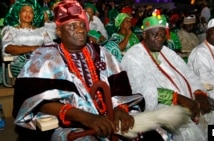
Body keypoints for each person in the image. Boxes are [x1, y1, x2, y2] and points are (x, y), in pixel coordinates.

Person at [12, 1, 189, 141]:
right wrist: (86, 117)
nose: (80, 29)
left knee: (156, 135)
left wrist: (121, 109)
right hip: (71, 125)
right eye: (72, 26)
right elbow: (34, 100)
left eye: (82, 25)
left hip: (112, 117)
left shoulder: (101, 53)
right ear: (58, 30)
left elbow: (121, 89)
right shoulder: (44, 57)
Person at [121, 9, 213, 141]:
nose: (159, 38)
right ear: (144, 35)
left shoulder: (168, 52)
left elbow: (189, 74)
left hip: (189, 103)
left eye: (162, 35)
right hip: (162, 109)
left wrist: (199, 93)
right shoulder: (133, 56)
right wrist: (177, 98)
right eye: (155, 35)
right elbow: (142, 91)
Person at [1, 0, 56, 78]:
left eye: (31, 12)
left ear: (35, 15)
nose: (28, 14)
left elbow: (50, 47)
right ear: (18, 13)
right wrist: (33, 48)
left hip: (41, 62)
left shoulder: (42, 31)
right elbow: (8, 48)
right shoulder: (10, 30)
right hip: (20, 65)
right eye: (24, 11)